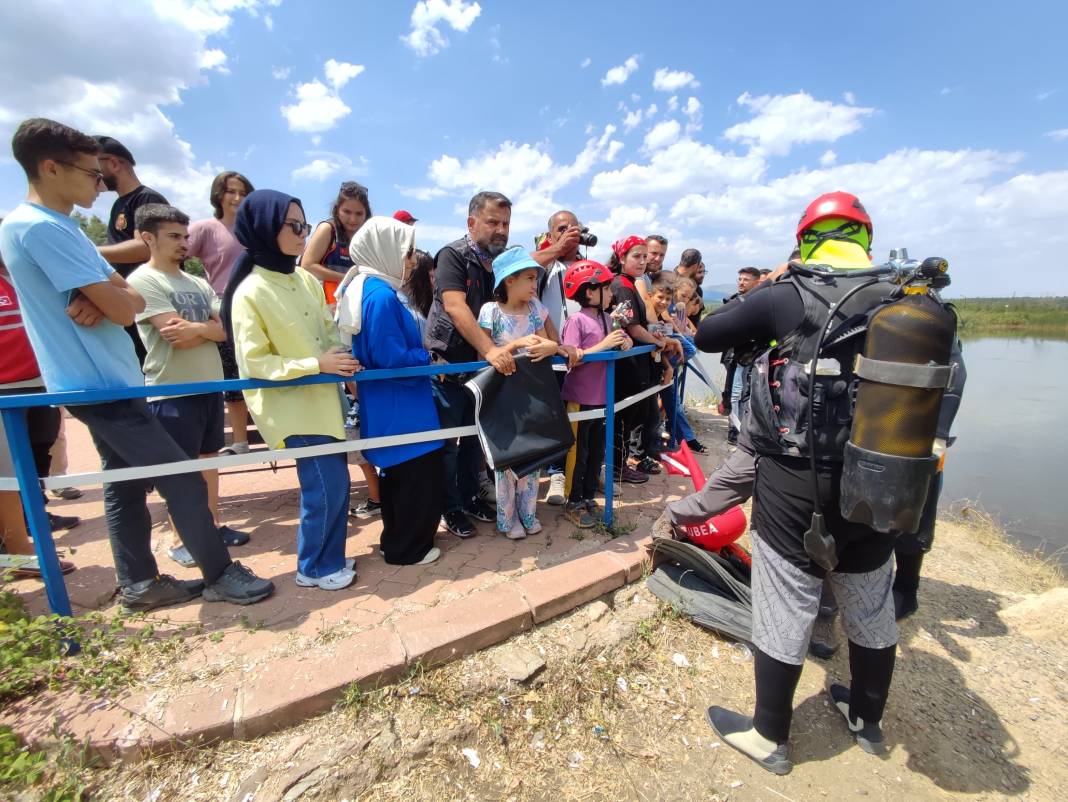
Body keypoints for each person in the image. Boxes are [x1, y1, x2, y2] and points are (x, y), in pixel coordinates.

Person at [695, 191, 955, 773]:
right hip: (884, 474)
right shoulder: (904, 300)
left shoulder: (789, 293)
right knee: (869, 593)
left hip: (796, 476)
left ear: (804, 238)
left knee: (786, 599)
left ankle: (770, 736)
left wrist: (771, 283)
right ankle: (866, 718)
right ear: (864, 237)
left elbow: (710, 334)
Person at [0, 118, 273, 611]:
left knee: (124, 486)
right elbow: (128, 306)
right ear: (49, 168)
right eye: (89, 172)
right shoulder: (39, 228)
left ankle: (141, 584)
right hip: (95, 381)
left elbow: (120, 294)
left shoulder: (61, 228)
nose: (99, 183)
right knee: (183, 478)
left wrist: (105, 294)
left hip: (107, 378)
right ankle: (219, 572)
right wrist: (109, 296)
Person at [224, 189, 359, 591]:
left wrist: (341, 358)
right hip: (291, 406)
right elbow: (255, 363)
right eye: (294, 226)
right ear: (264, 228)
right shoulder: (249, 291)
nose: (303, 234)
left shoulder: (303, 277)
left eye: (304, 225)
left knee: (335, 485)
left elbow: (326, 331)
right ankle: (314, 567)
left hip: (324, 400)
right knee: (323, 487)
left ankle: (328, 556)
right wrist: (317, 364)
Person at [127, 203, 251, 569]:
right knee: (180, 471)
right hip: (171, 389)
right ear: (148, 237)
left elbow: (224, 330)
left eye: (185, 236)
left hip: (208, 387)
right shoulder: (143, 281)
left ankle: (210, 527)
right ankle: (183, 537)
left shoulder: (196, 282)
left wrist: (198, 330)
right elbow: (172, 334)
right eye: (174, 236)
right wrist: (207, 331)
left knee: (208, 461)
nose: (184, 243)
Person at [338, 217, 442, 565]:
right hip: (403, 406)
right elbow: (391, 356)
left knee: (399, 479)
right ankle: (409, 549)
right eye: (407, 252)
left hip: (392, 404)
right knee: (414, 478)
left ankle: (395, 541)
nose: (412, 260)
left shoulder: (369, 288)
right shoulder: (380, 295)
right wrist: (427, 357)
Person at [423, 191, 514, 538]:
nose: (500, 230)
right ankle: (450, 507)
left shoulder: (500, 261)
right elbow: (455, 306)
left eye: (505, 223)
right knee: (448, 446)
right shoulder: (452, 255)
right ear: (472, 222)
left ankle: (468, 497)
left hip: (480, 371)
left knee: (474, 442)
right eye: (493, 222)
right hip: (446, 366)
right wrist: (491, 350)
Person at [477, 247, 570, 539]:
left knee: (533, 454)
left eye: (535, 278)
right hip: (503, 396)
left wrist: (551, 347)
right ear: (508, 280)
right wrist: (515, 346)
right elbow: (484, 355)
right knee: (507, 458)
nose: (534, 285)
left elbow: (555, 341)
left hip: (532, 394)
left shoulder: (537, 309)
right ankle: (507, 519)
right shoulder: (490, 311)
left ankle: (528, 513)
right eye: (529, 278)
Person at [300, 181, 380, 517]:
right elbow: (306, 264)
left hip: (353, 311)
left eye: (358, 213)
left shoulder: (364, 235)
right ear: (338, 208)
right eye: (347, 211)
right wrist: (345, 275)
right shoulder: (327, 229)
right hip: (328, 310)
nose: (352, 217)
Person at [0, 252, 78, 568]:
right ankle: (18, 555)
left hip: (38, 381)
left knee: (38, 456)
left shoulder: (25, 279)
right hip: (4, 391)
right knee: (7, 472)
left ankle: (31, 520)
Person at [186, 170, 255, 458]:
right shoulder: (206, 228)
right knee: (233, 375)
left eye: (242, 191)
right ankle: (240, 441)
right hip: (223, 307)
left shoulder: (255, 229)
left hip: (256, 305)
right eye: (230, 191)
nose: (237, 197)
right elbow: (174, 253)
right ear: (219, 195)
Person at [559, 260, 631, 528]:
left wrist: (625, 341)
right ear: (589, 292)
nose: (612, 294)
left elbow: (616, 340)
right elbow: (572, 357)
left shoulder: (606, 318)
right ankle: (572, 500)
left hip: (602, 398)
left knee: (596, 452)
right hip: (580, 399)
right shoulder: (576, 320)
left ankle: (588, 496)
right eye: (607, 289)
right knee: (578, 452)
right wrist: (605, 344)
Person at [606, 235, 680, 483]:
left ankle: (622, 463)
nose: (642, 262)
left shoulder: (630, 282)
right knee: (624, 417)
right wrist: (657, 341)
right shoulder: (623, 286)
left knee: (634, 415)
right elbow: (633, 327)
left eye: (644, 257)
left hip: (637, 360)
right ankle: (617, 467)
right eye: (636, 256)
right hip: (628, 363)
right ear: (622, 258)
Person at [93, 135, 168, 364]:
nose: (93, 174)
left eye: (96, 166)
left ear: (114, 163)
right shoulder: (119, 204)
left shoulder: (148, 198)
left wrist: (90, 251)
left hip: (151, 302)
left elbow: (146, 248)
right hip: (129, 301)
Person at [532, 209, 584, 507]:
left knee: (580, 417)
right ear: (550, 235)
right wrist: (557, 249)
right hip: (550, 355)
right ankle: (554, 473)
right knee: (551, 416)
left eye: (574, 229)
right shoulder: (543, 264)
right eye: (562, 229)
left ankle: (575, 471)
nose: (569, 234)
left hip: (582, 355)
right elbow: (521, 267)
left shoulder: (586, 265)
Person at [398, 248, 435, 340]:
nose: (434, 282)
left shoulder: (419, 305)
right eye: (431, 276)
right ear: (419, 276)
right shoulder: (401, 304)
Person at [675, 248, 706, 330]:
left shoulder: (697, 288)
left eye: (704, 272)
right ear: (695, 266)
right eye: (699, 270)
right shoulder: (672, 281)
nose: (702, 275)